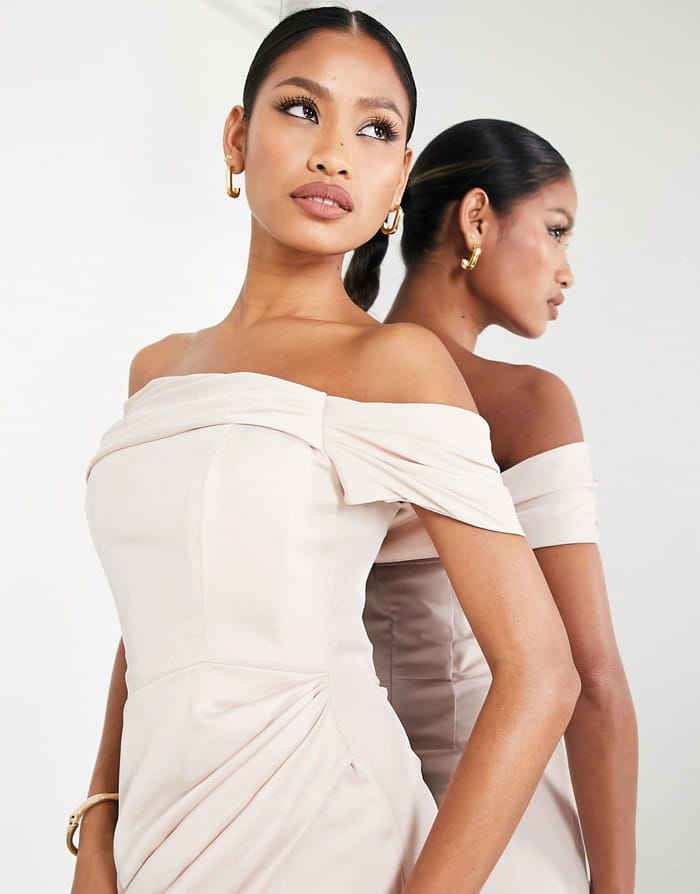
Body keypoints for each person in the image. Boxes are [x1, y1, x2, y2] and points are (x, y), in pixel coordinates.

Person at [69, 14, 580, 894]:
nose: (335, 154)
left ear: (399, 180)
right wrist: (99, 826)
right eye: (302, 109)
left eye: (374, 129)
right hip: (159, 834)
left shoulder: (395, 366)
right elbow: (154, 619)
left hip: (327, 830)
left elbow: (542, 674)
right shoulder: (157, 371)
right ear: (237, 136)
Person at [365, 119, 638, 893]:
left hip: (347, 823)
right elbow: (592, 679)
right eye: (555, 230)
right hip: (502, 839)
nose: (566, 270)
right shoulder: (525, 403)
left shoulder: (316, 378)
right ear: (477, 218)